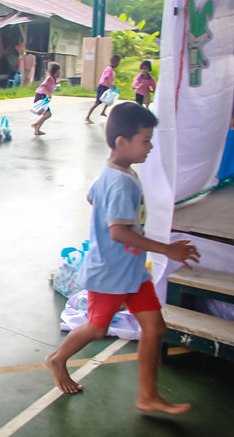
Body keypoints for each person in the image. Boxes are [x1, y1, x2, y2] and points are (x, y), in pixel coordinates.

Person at [45, 102, 200, 414]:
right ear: (122, 142)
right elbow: (118, 233)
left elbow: (92, 196)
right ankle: (57, 360)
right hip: (110, 274)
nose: (150, 146)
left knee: (154, 329)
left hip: (131, 273)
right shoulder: (121, 182)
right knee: (97, 328)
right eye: (145, 140)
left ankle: (147, 396)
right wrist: (167, 249)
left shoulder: (116, 172)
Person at [85, 54, 121, 124]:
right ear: (115, 62)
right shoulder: (109, 69)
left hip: (106, 87)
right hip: (102, 87)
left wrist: (111, 85)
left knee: (109, 100)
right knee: (97, 102)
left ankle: (103, 111)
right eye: (118, 62)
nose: (118, 64)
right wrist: (110, 85)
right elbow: (105, 79)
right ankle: (87, 117)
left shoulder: (112, 69)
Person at [31, 62, 61, 136]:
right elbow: (43, 86)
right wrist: (48, 94)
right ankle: (35, 124)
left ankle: (37, 130)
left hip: (43, 97)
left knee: (45, 114)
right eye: (58, 71)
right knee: (48, 114)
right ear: (54, 72)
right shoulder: (49, 78)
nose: (59, 73)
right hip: (41, 97)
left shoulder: (53, 79)